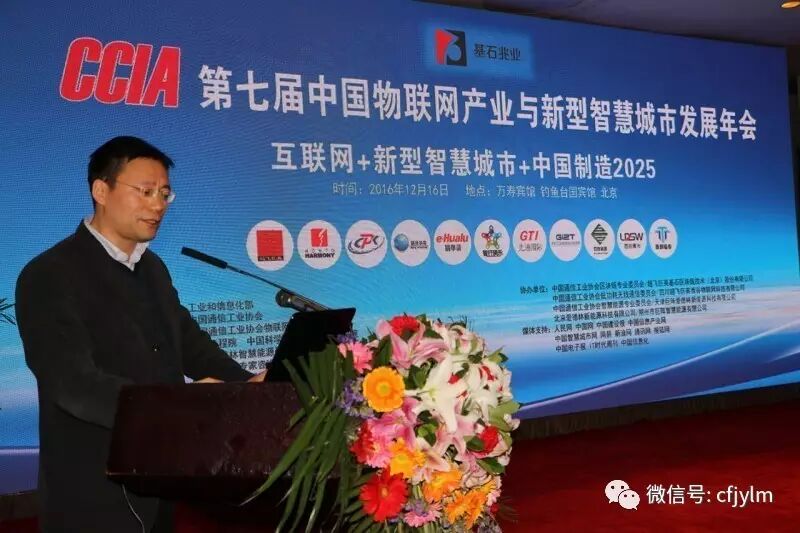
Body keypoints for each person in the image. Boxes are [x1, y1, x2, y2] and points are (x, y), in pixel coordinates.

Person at [15, 136, 266, 533]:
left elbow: (191, 346)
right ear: (101, 191)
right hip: (91, 494)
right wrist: (179, 406)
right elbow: (73, 384)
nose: (158, 205)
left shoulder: (153, 269)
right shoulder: (50, 274)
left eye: (165, 194)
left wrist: (250, 388)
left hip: (159, 479)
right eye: (146, 191)